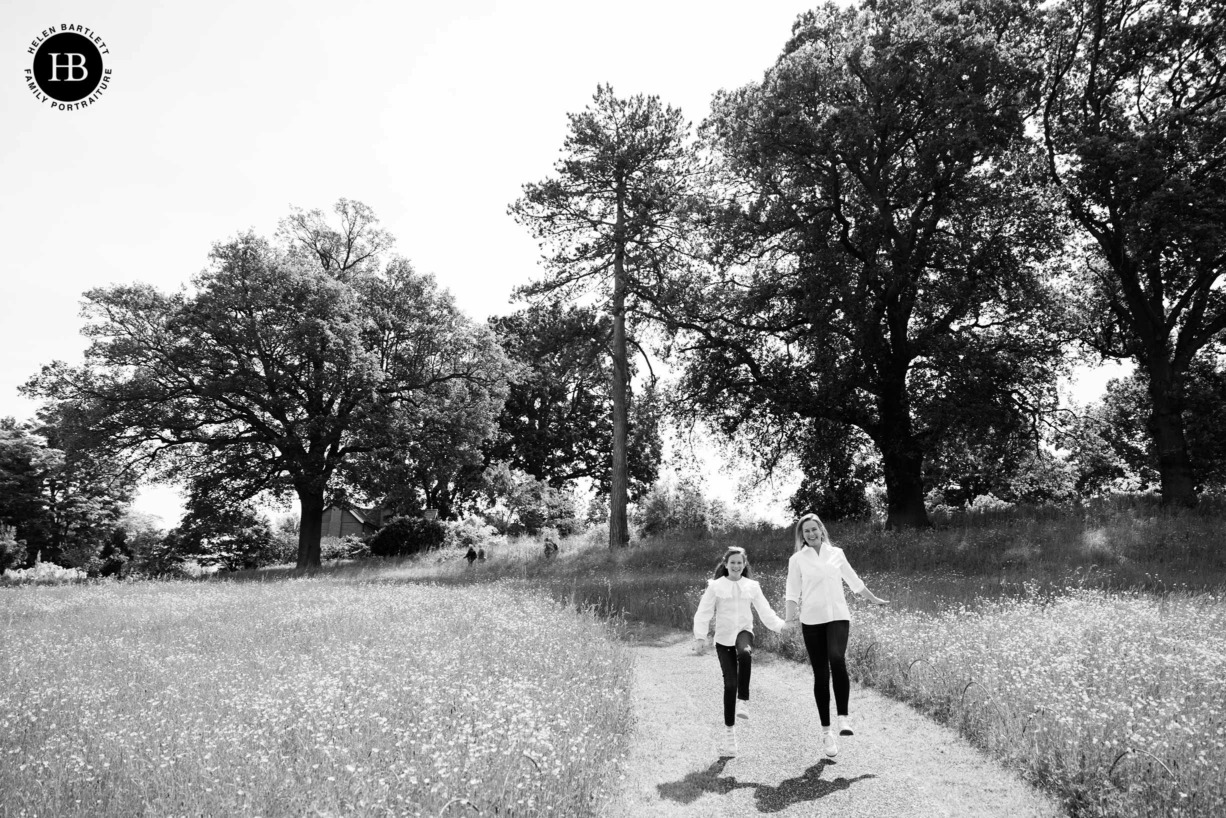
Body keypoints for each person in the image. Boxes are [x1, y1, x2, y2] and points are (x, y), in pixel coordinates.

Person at [785, 512, 887, 759]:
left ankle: (843, 718)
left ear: (821, 529)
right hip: (811, 620)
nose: (810, 534)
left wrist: (873, 599)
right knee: (820, 674)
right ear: (802, 536)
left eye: (814, 529)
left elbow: (854, 581)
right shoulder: (797, 559)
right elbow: (791, 591)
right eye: (805, 531)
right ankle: (826, 732)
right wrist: (789, 619)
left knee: (837, 658)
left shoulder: (836, 553)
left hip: (838, 616)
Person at [693, 546, 790, 757]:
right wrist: (700, 636)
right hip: (722, 639)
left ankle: (743, 701)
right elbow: (704, 612)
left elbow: (764, 609)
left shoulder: (752, 586)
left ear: (744, 565)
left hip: (744, 632)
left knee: (745, 653)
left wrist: (781, 625)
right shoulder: (716, 587)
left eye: (740, 562)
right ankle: (730, 734)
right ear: (725, 564)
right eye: (732, 562)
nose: (736, 566)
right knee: (729, 684)